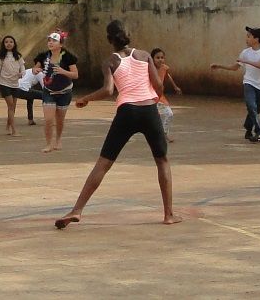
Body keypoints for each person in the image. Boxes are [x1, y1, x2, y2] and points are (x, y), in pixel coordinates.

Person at [54, 20, 180, 229]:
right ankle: (168, 214)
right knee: (162, 161)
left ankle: (77, 210)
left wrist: (86, 98)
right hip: (149, 109)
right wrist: (153, 102)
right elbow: (158, 85)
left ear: (109, 40)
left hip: (126, 111)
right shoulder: (144, 55)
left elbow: (108, 91)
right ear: (128, 35)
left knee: (103, 163)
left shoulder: (109, 61)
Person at [210, 27, 260, 143]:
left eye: (249, 36)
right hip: (249, 82)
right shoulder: (245, 52)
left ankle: (248, 128)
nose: (246, 38)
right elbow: (235, 67)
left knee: (255, 109)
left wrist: (246, 62)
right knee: (251, 105)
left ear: (256, 39)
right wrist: (219, 66)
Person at [33, 30, 79, 153]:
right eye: (49, 40)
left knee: (60, 119)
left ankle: (58, 139)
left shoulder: (68, 57)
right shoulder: (43, 56)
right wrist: (35, 70)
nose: (51, 43)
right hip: (48, 91)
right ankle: (48, 144)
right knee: (48, 119)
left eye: (54, 40)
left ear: (61, 44)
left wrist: (63, 72)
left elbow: (75, 75)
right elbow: (35, 68)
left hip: (65, 92)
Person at [0, 35, 26, 135]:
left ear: (14, 44)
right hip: (4, 83)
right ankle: (14, 130)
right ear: (3, 44)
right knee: (11, 106)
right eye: (6, 42)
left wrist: (21, 74)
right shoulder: (1, 56)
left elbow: (23, 68)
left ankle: (8, 126)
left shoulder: (18, 56)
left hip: (15, 84)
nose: (9, 43)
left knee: (13, 107)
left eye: (11, 42)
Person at [150, 48, 182, 143]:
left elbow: (167, 76)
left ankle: (163, 134)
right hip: (149, 96)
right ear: (152, 59)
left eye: (162, 57)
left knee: (169, 114)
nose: (160, 59)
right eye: (157, 57)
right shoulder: (148, 68)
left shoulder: (164, 68)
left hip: (160, 96)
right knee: (148, 117)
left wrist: (175, 87)